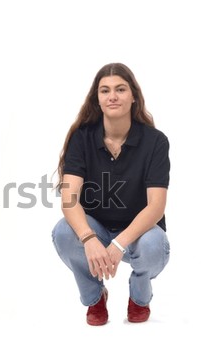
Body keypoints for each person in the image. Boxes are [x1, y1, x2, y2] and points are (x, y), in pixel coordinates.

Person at [52, 63, 170, 325]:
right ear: (97, 98)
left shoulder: (155, 142)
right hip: (97, 228)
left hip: (139, 234)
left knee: (153, 245)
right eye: (105, 90)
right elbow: (69, 200)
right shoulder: (81, 138)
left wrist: (119, 244)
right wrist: (89, 238)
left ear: (133, 95)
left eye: (120, 89)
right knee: (63, 232)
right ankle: (95, 297)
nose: (112, 96)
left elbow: (156, 206)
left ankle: (139, 297)